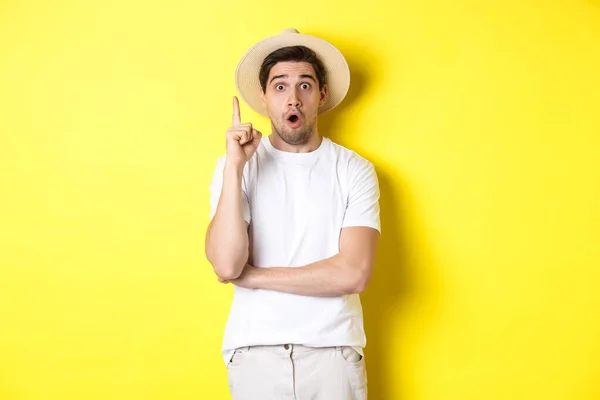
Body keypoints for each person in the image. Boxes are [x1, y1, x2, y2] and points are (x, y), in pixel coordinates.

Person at [205, 28, 381, 400]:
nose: (293, 99)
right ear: (264, 99)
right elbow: (225, 264)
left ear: (321, 95)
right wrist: (235, 169)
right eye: (280, 86)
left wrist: (253, 277)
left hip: (333, 351)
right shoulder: (235, 167)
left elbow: (354, 272)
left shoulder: (354, 169)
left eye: (305, 85)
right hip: (254, 353)